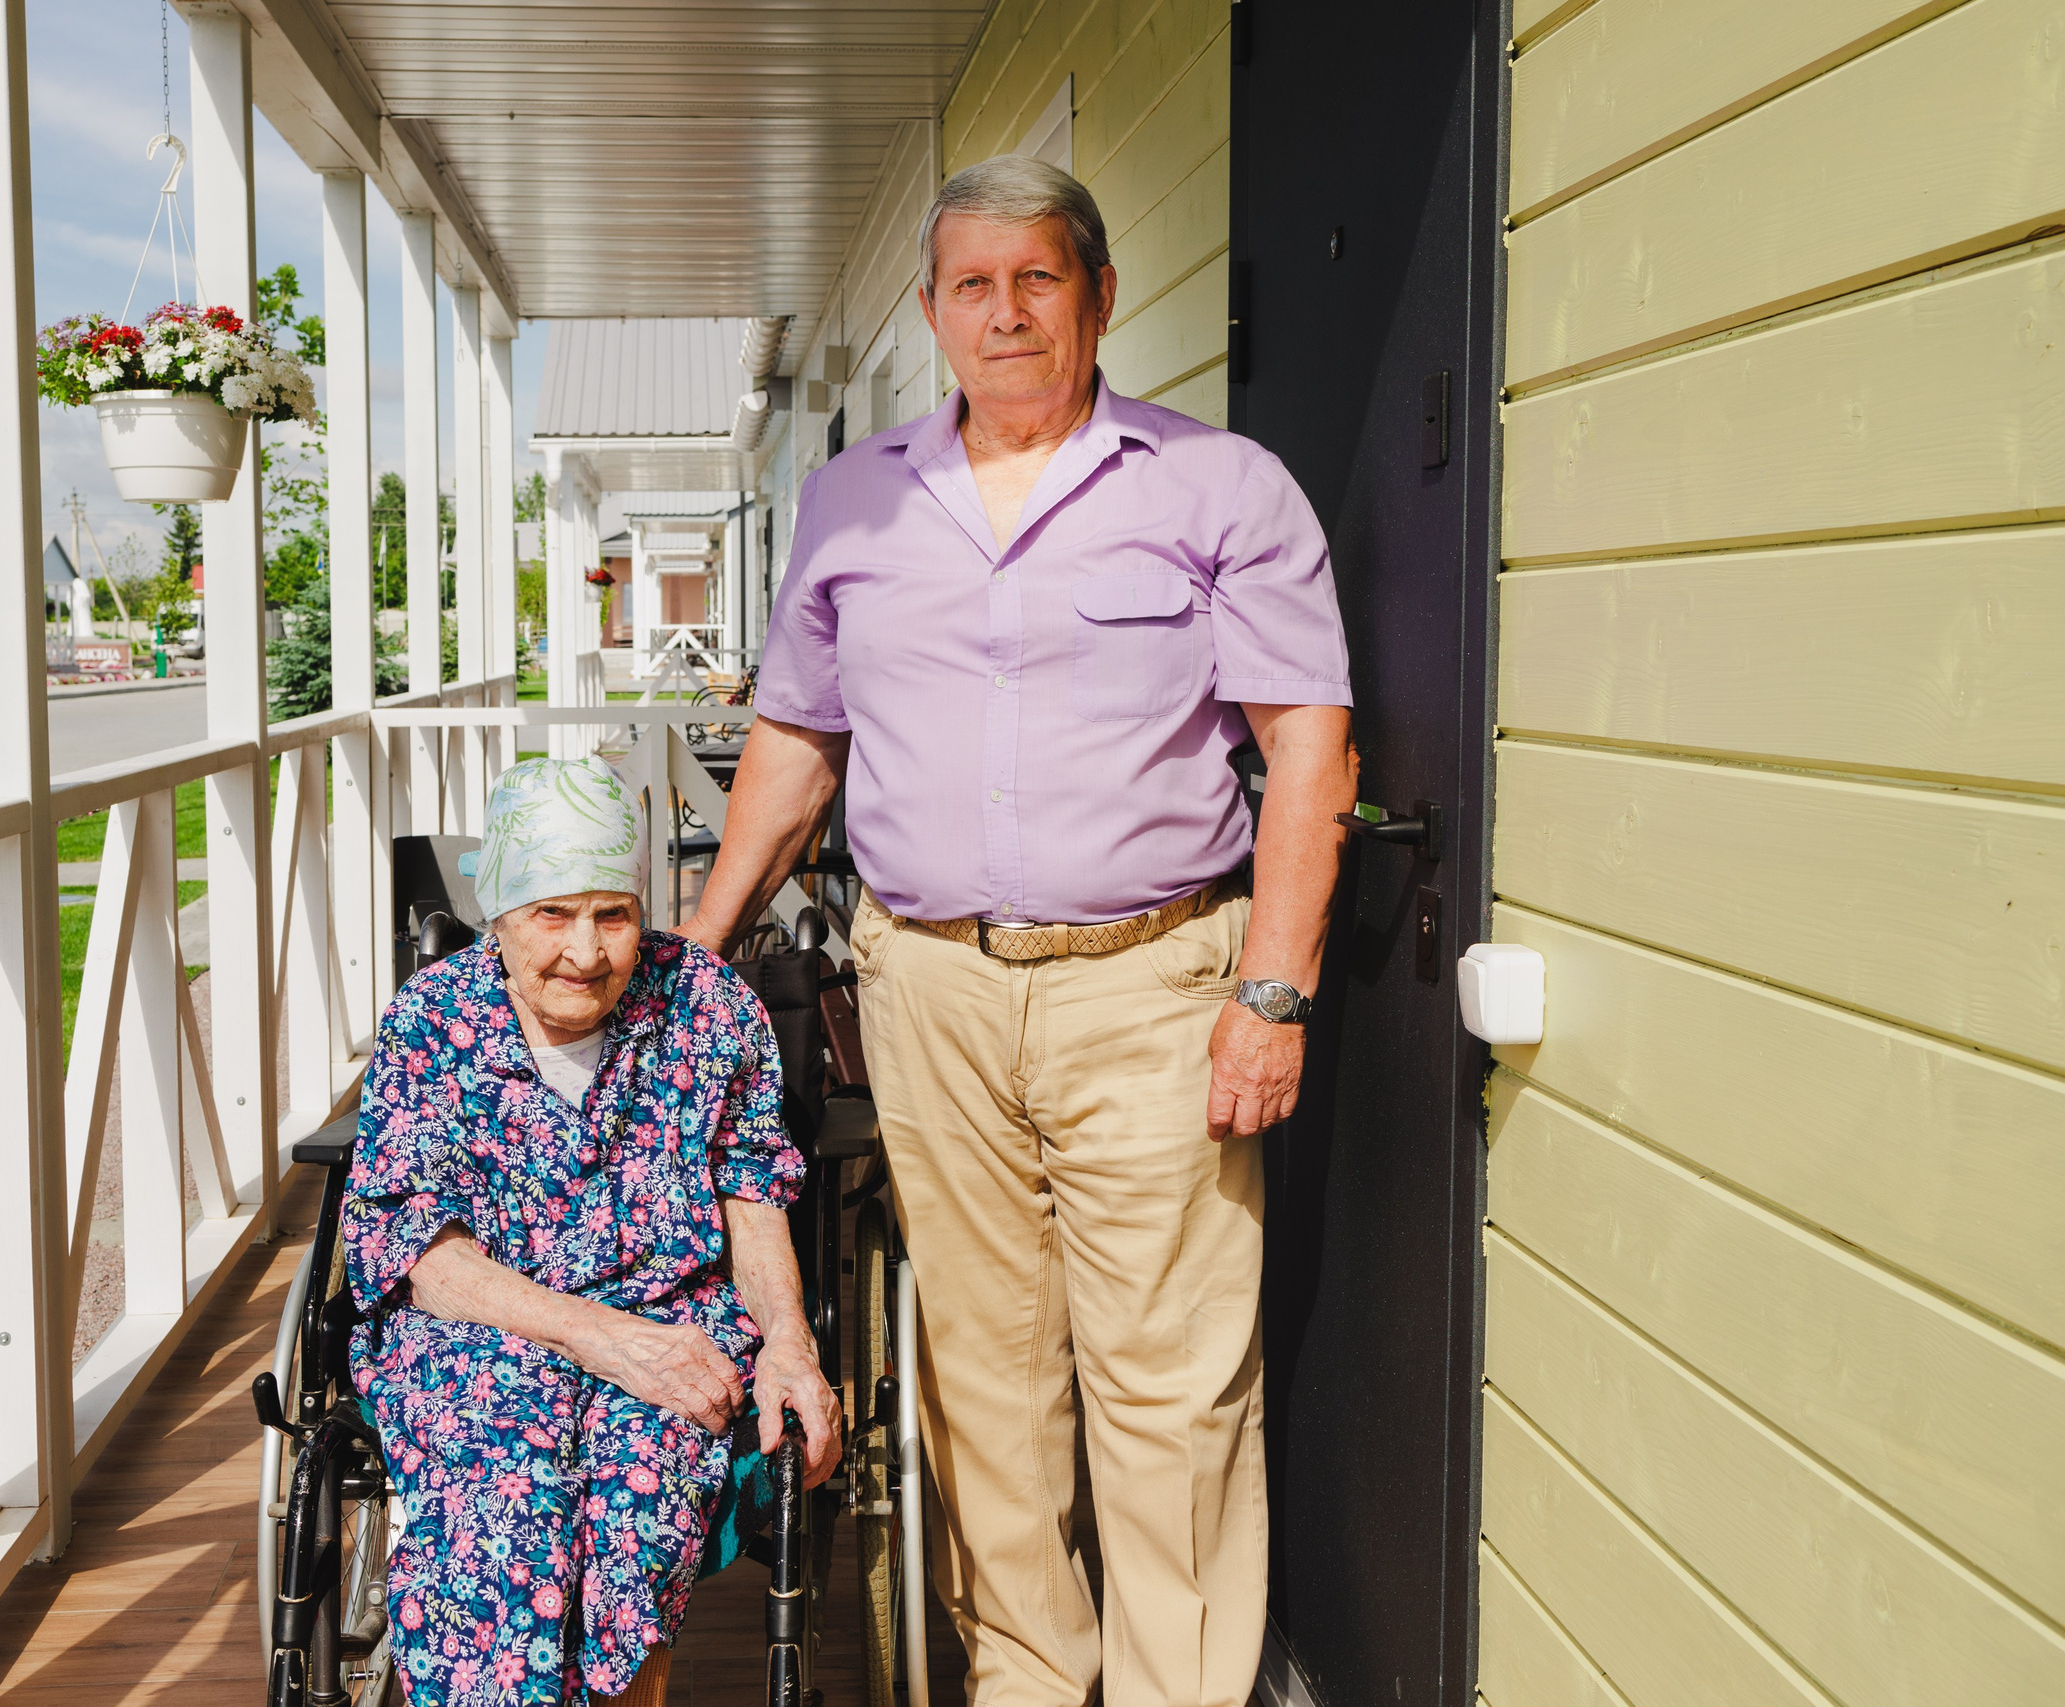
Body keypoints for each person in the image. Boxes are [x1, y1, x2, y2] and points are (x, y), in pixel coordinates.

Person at [680, 155, 1358, 1706]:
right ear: (930, 311)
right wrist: (701, 947)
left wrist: (1278, 988)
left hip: (1154, 982)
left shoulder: (1218, 487)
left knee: (1169, 1381)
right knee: (984, 1377)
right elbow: (796, 742)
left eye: (1037, 279)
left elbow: (1311, 747)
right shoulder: (856, 501)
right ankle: (1029, 1678)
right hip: (925, 992)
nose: (1005, 313)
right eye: (972, 284)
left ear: (1099, 295)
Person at [342, 756, 846, 1707]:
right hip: (481, 1333)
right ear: (498, 912)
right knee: (495, 1514)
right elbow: (422, 1253)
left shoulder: (703, 1001)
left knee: (640, 1513)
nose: (587, 949)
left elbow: (752, 1193)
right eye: (551, 913)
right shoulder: (435, 1018)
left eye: (613, 914)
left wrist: (788, 1338)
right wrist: (600, 1337)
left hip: (675, 1327)